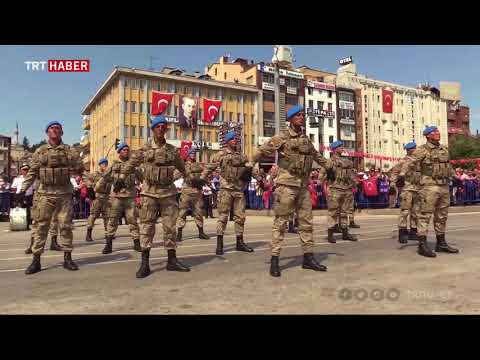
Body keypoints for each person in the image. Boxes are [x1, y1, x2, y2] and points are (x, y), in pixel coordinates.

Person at [253, 105, 328, 277]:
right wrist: (253, 169)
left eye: (303, 115)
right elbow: (261, 152)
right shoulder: (281, 137)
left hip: (303, 186)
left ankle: (308, 258)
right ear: (290, 119)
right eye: (298, 115)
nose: (302, 117)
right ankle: (275, 260)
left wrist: (330, 166)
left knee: (306, 223)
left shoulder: (306, 140)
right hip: (286, 185)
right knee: (281, 223)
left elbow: (317, 157)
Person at [128, 115, 192, 278]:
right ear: (153, 129)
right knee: (147, 227)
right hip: (149, 192)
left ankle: (172, 260)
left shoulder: (172, 150)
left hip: (168, 193)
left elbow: (182, 167)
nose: (161, 129)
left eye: (164, 126)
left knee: (170, 227)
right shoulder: (144, 149)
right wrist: (122, 179)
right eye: (158, 126)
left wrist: (191, 179)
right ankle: (145, 264)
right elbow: (130, 165)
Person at [18, 121, 84, 274]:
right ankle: (36, 261)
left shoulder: (69, 151)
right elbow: (32, 172)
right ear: (47, 132)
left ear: (62, 132)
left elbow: (80, 170)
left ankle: (68, 258)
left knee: (66, 226)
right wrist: (21, 190)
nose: (54, 130)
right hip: (45, 194)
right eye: (51, 128)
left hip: (64, 194)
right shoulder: (40, 151)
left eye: (58, 128)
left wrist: (89, 182)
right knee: (41, 226)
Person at [400, 125, 459, 257]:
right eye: (434, 132)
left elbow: (448, 165)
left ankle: (441, 243)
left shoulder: (444, 148)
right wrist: (402, 175)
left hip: (444, 186)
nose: (438, 133)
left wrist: (455, 177)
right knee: (425, 215)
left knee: (442, 215)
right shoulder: (422, 150)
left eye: (438, 131)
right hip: (429, 186)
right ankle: (422, 244)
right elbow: (409, 162)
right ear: (428, 135)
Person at [203, 130, 254, 256]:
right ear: (227, 141)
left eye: (236, 139)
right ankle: (219, 244)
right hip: (226, 189)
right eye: (232, 139)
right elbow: (209, 167)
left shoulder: (242, 156)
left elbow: (250, 169)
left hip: (239, 190)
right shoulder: (220, 155)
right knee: (223, 217)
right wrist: (202, 179)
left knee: (240, 216)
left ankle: (239, 242)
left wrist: (260, 180)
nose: (235, 141)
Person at [97, 143, 143, 254]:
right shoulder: (114, 166)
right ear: (119, 152)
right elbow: (104, 178)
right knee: (112, 220)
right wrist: (97, 188)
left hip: (130, 196)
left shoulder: (133, 166)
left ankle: (136, 243)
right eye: (124, 150)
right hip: (116, 197)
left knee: (132, 220)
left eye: (128, 150)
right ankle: (108, 244)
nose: (126, 151)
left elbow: (142, 178)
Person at [325, 141, 358, 243]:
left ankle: (345, 233)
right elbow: (323, 173)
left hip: (346, 189)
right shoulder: (330, 161)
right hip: (335, 189)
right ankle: (330, 234)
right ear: (334, 149)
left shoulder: (346, 161)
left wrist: (355, 183)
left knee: (344, 212)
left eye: (342, 147)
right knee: (333, 212)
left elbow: (351, 174)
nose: (342, 148)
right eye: (340, 147)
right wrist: (321, 183)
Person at [176, 147, 210, 242]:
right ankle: (179, 233)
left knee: (198, 212)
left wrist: (209, 184)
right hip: (186, 191)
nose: (193, 155)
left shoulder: (199, 165)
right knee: (182, 212)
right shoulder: (184, 165)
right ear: (188, 154)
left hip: (197, 191)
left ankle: (201, 232)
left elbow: (204, 176)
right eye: (191, 153)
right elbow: (176, 174)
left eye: (194, 153)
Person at [390, 142, 420, 243]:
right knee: (405, 211)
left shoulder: (418, 161)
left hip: (417, 188)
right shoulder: (403, 161)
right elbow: (394, 172)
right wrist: (392, 183)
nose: (416, 150)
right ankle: (402, 232)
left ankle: (413, 231)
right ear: (409, 150)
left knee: (416, 212)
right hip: (407, 188)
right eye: (414, 149)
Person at [85, 158, 112, 242]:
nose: (105, 165)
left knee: (107, 217)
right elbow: (87, 181)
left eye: (106, 163)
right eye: (103, 164)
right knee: (93, 216)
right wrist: (93, 187)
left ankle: (108, 234)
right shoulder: (95, 174)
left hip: (107, 197)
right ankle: (88, 233)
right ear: (100, 165)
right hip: (97, 198)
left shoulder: (109, 175)